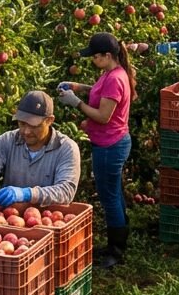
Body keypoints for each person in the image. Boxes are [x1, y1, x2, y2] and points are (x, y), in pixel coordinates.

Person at [57, 32, 135, 269]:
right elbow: (103, 92)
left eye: (95, 57)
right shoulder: (113, 73)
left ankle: (115, 250)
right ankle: (120, 240)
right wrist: (79, 87)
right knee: (114, 192)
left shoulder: (114, 78)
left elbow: (103, 115)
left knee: (109, 196)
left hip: (108, 145)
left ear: (107, 55)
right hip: (114, 141)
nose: (92, 60)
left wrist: (76, 103)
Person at [0, 91, 81, 220]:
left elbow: (65, 191)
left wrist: (27, 193)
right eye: (22, 123)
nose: (26, 131)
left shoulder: (66, 148)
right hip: (10, 219)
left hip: (48, 221)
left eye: (34, 125)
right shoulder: (7, 141)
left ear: (49, 120)